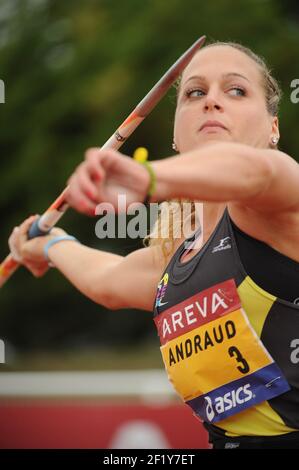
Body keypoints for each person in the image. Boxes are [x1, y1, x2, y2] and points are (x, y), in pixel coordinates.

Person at [9, 41, 299, 449]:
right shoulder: (179, 256)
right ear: (177, 133)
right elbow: (109, 280)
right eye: (195, 92)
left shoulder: (282, 196)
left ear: (273, 127)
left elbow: (257, 172)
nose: (212, 101)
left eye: (236, 90)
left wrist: (147, 179)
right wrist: (51, 244)